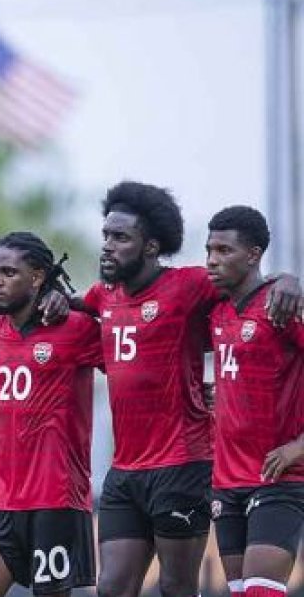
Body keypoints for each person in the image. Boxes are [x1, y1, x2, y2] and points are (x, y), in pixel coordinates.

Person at [83, 182, 302, 597]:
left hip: (200, 466)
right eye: (106, 236)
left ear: (150, 246)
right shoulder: (107, 296)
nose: (108, 245)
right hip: (168, 472)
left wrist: (290, 279)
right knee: (112, 586)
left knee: (187, 586)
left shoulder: (202, 289)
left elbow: (256, 288)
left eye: (120, 237)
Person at [0, 232, 101, 597]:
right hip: (1, 497)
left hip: (55, 497)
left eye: (9, 272)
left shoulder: (76, 328)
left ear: (37, 277)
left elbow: (129, 359)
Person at [204, 206, 304, 597]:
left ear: (254, 254)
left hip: (278, 478)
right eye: (209, 249)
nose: (212, 259)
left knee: (262, 592)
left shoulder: (282, 307)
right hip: (226, 481)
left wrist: (299, 446)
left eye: (224, 250)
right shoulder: (216, 312)